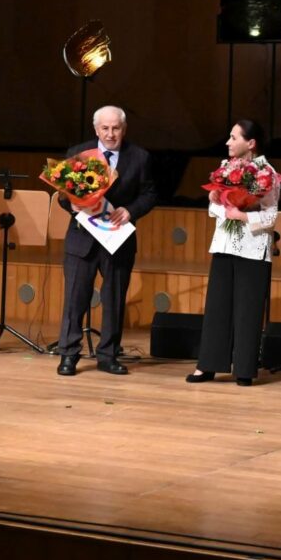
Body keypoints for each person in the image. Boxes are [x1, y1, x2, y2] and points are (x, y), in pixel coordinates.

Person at [56, 105, 157, 376]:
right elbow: (64, 195)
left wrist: (131, 210)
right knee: (75, 299)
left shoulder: (140, 157)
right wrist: (74, 206)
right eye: (105, 128)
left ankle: (108, 355)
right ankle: (68, 354)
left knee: (113, 300)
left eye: (116, 128)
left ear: (124, 129)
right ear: (96, 129)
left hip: (118, 238)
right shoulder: (79, 153)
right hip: (82, 239)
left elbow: (149, 194)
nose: (111, 134)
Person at [187, 120, 279, 386]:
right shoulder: (225, 168)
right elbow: (215, 208)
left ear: (250, 143)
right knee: (217, 307)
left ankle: (244, 369)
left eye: (233, 137)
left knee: (247, 310)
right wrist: (217, 202)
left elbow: (271, 216)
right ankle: (208, 366)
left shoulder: (266, 172)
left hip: (253, 247)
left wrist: (241, 215)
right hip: (225, 244)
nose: (228, 142)